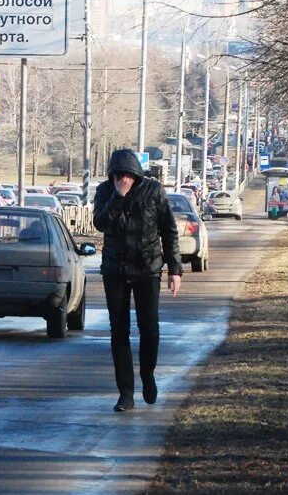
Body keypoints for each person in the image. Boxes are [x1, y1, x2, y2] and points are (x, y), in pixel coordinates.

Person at [93, 148, 183, 412]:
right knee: (118, 332)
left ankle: (148, 374)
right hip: (115, 270)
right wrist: (117, 197)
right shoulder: (104, 192)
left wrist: (175, 269)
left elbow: (169, 231)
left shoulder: (154, 191)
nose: (123, 180)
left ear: (136, 175)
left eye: (128, 176)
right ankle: (126, 393)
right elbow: (100, 223)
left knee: (149, 328)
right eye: (118, 176)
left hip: (148, 268)